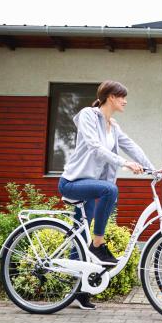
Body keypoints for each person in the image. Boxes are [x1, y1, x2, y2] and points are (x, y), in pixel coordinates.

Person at [58, 80, 154, 309]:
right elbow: (94, 146)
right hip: (73, 182)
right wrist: (125, 164)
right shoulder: (88, 115)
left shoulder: (113, 125)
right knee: (110, 190)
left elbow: (132, 146)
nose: (125, 101)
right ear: (110, 97)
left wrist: (152, 169)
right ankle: (98, 244)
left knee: (78, 238)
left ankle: (78, 292)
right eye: (122, 97)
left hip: (90, 186)